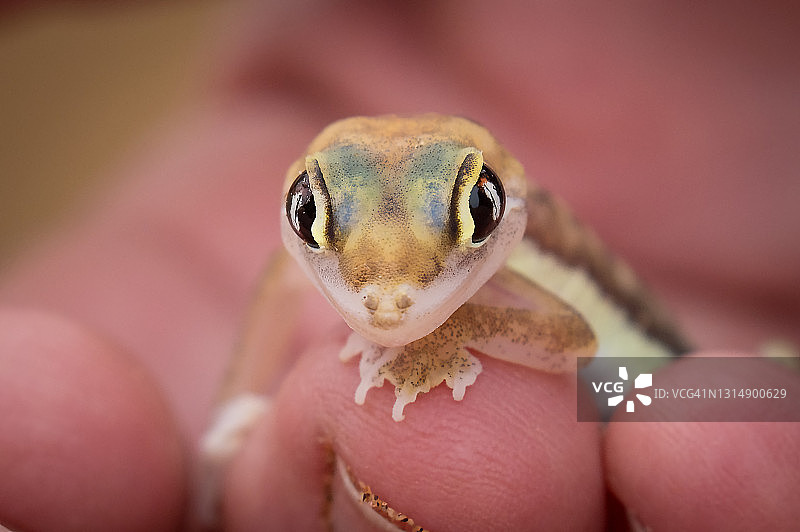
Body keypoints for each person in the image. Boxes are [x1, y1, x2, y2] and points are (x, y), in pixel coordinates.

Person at [1, 2, 797, 530]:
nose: (390, 303)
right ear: (291, 213)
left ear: (507, 209)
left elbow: (576, 343)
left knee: (716, 415)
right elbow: (282, 285)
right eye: (314, 221)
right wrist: (229, 424)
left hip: (658, 375)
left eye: (472, 218)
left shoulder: (524, 254)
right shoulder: (292, 265)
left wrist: (450, 338)